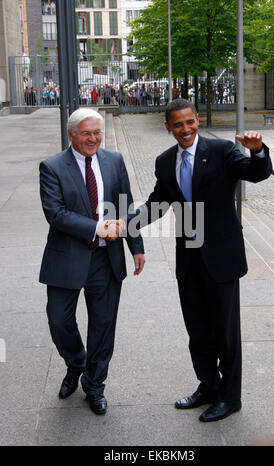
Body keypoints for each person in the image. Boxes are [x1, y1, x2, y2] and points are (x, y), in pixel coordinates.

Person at [128, 99, 272, 422]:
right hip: (189, 259)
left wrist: (257, 152)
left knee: (226, 332)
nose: (185, 129)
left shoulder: (221, 151)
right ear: (168, 128)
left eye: (190, 122)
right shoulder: (165, 162)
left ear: (196, 120)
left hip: (221, 257)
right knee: (198, 330)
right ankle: (208, 386)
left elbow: (256, 173)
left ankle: (230, 398)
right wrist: (125, 223)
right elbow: (157, 203)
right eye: (177, 124)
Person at [39, 108, 145, 415]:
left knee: (103, 326)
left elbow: (125, 206)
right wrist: (96, 227)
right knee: (59, 322)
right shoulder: (52, 167)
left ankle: (95, 385)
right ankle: (76, 364)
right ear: (71, 134)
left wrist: (135, 246)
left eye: (97, 132)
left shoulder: (114, 161)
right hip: (66, 258)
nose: (93, 139)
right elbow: (55, 213)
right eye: (86, 133)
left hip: (105, 259)